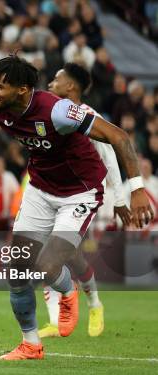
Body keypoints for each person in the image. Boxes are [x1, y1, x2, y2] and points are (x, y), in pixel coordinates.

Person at [0, 55, 153, 360]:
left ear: (21, 90)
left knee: (46, 265)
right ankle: (31, 343)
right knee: (16, 269)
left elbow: (117, 136)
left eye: (0, 87)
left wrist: (136, 189)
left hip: (80, 193)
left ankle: (67, 290)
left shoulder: (58, 111)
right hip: (39, 191)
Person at [40, 62, 132, 338]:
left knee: (61, 253)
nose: (49, 85)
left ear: (71, 87)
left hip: (84, 196)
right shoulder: (50, 116)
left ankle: (94, 303)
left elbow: (110, 158)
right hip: (52, 193)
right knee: (47, 255)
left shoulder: (89, 116)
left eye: (56, 79)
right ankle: (57, 321)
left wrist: (118, 197)